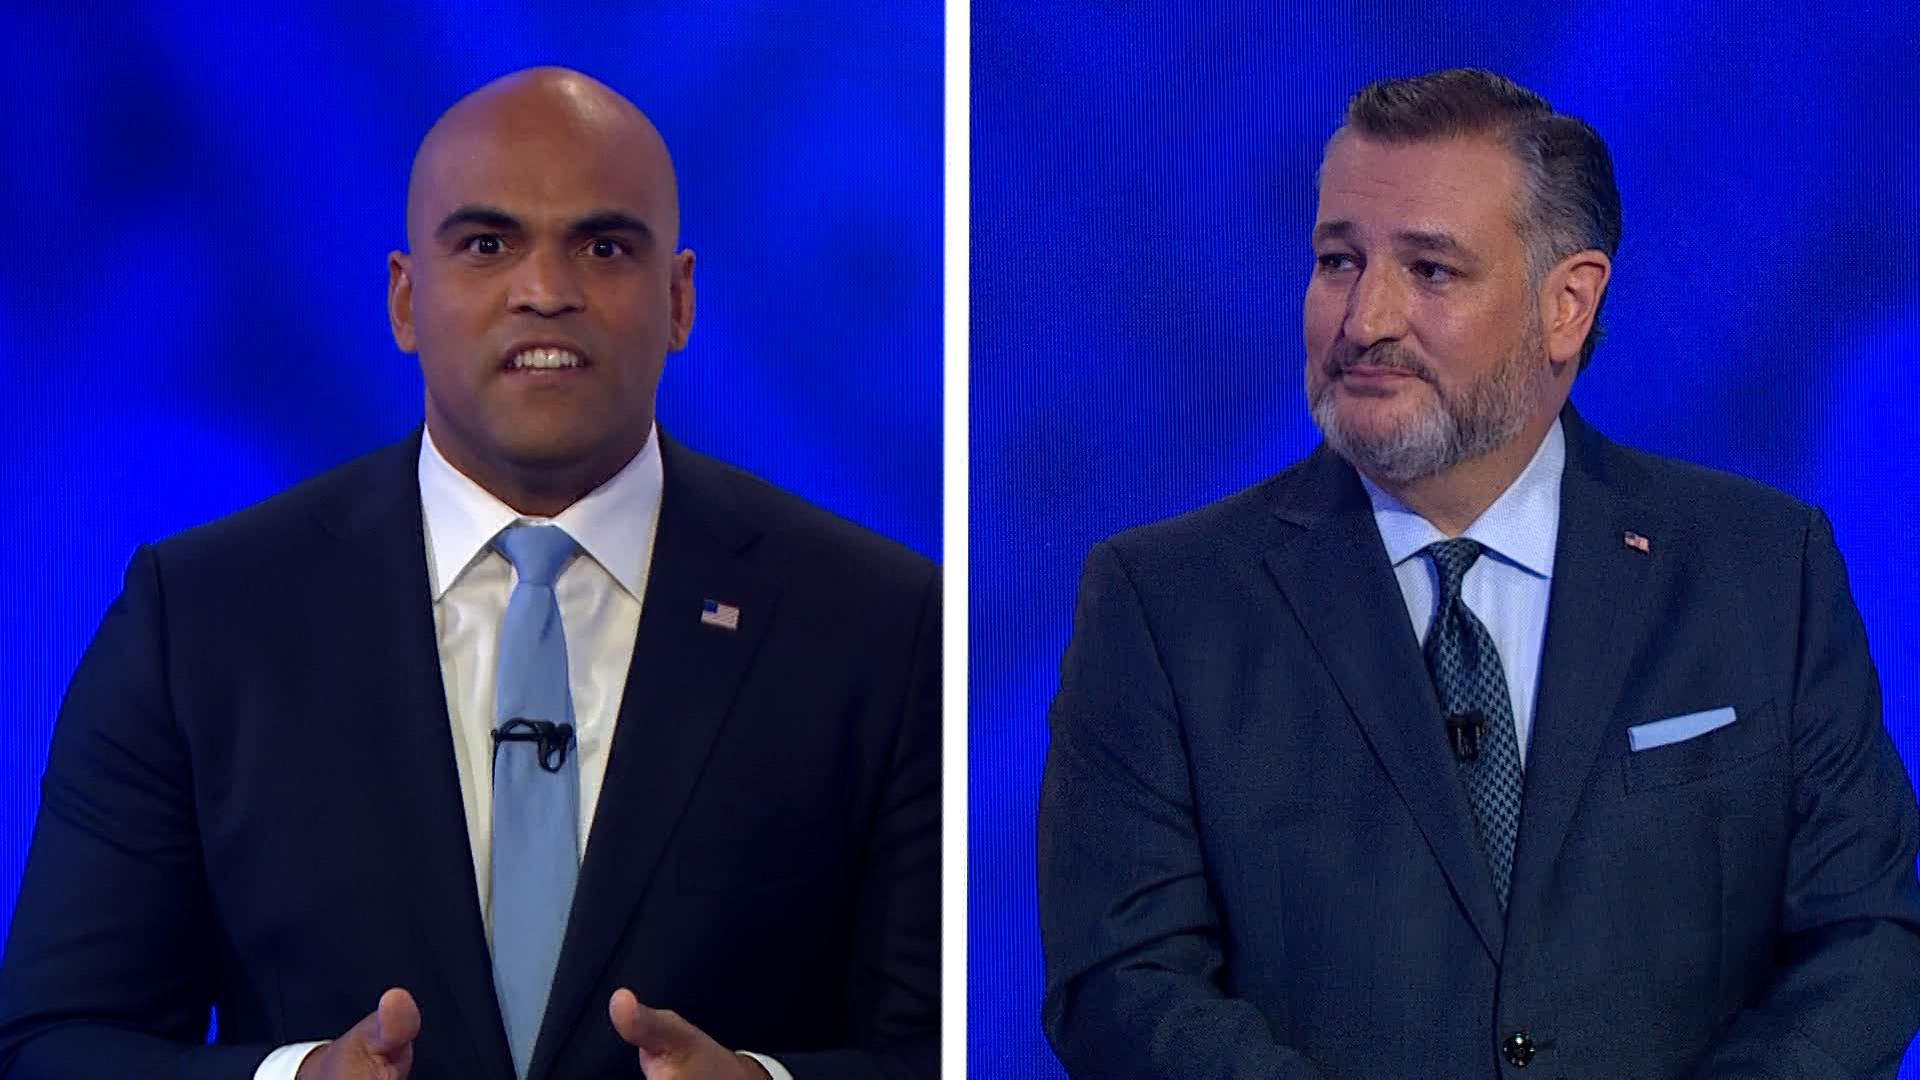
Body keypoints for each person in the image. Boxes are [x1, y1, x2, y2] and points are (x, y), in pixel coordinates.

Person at [0, 67, 938, 1080]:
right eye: (488, 245)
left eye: (604, 246)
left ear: (679, 300)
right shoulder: (197, 619)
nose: (545, 291)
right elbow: (58, 1043)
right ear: (406, 299)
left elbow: (941, 1046)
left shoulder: (880, 624)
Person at [1037, 67, 1920, 1078]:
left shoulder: (1764, 567)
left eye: (1430, 271)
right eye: (1337, 260)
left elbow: (1865, 934)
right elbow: (1124, 983)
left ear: (1567, 305)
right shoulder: (1162, 603)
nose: (1364, 317)